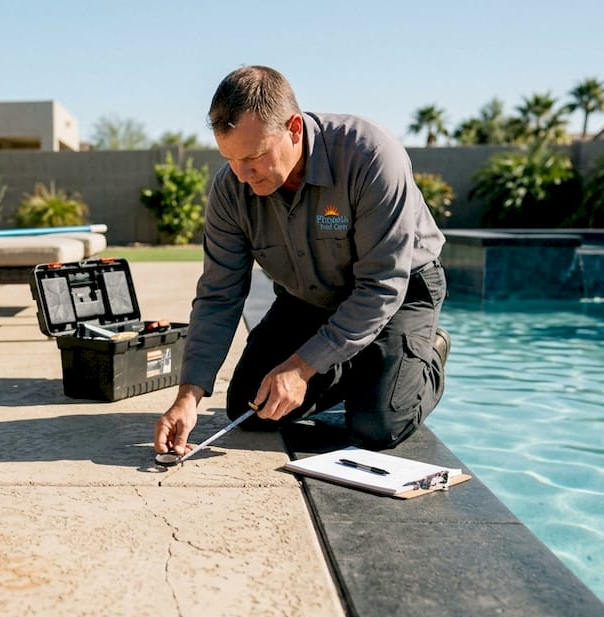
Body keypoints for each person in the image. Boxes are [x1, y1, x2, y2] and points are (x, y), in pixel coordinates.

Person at [153, 65, 451, 458]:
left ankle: (427, 352)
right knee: (250, 407)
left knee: (378, 424)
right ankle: (357, 361)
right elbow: (218, 295)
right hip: (311, 298)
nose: (242, 175)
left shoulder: (372, 157)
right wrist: (187, 396)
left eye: (254, 156)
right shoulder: (230, 189)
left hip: (398, 293)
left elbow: (382, 286)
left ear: (294, 128)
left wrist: (301, 368)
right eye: (230, 159)